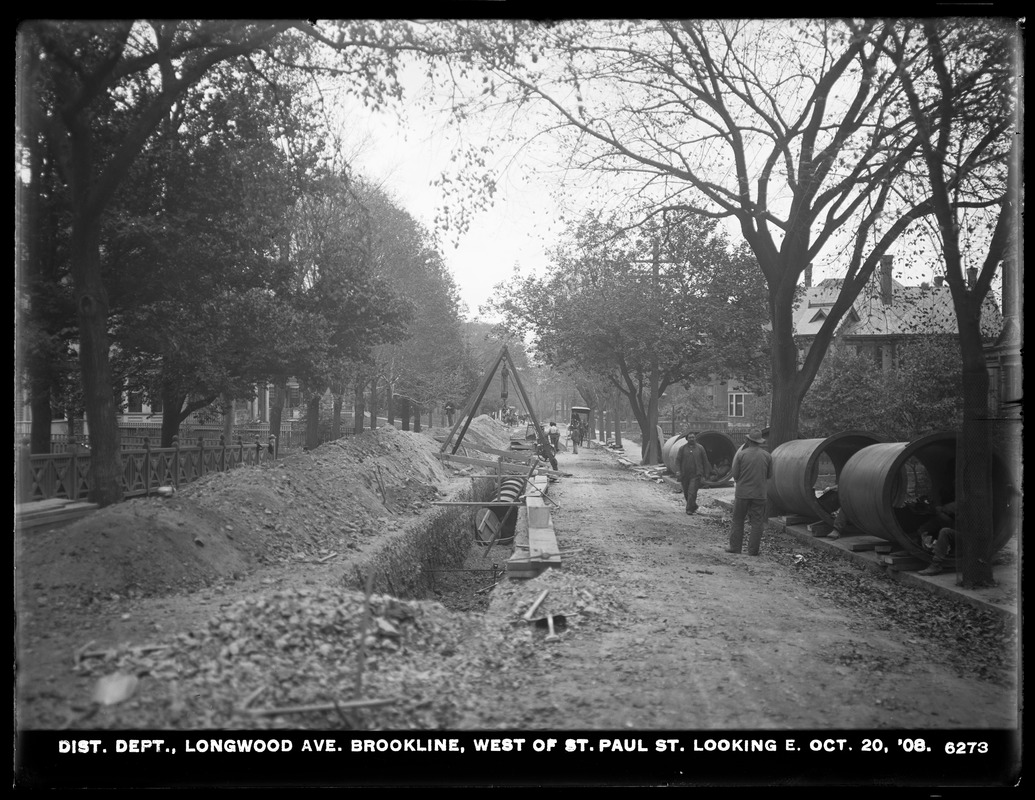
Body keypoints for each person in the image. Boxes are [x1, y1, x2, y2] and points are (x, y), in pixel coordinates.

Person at [727, 429, 773, 556]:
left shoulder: (741, 455)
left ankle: (735, 547)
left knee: (738, 520)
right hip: (760, 494)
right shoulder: (767, 456)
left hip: (742, 493)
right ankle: (753, 550)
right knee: (757, 522)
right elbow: (769, 475)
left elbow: (735, 474)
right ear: (760, 442)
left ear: (747, 440)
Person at [916, 501, 957, 575]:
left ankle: (936, 565)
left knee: (945, 531)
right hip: (962, 532)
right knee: (941, 518)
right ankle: (919, 535)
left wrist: (937, 509)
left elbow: (944, 509)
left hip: (971, 538)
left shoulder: (971, 503)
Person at [677, 433, 712, 515]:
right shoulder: (682, 448)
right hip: (685, 474)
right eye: (690, 438)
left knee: (692, 492)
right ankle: (694, 506)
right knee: (686, 493)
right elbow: (678, 460)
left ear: (695, 438)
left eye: (693, 437)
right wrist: (678, 471)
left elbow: (705, 461)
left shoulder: (700, 448)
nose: (691, 439)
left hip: (696, 474)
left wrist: (706, 473)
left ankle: (689, 509)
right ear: (687, 439)